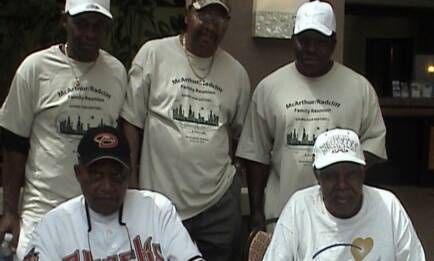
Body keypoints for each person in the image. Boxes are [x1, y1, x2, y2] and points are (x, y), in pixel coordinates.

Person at [236, 0, 387, 231]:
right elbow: (255, 156)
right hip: (282, 215)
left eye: (320, 42)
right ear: (292, 39)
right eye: (303, 40)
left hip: (340, 218)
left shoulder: (359, 88)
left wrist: (342, 178)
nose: (311, 49)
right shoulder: (269, 88)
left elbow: (374, 143)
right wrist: (257, 213)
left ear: (334, 42)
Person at [120, 0, 251, 260]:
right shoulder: (154, 55)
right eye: (204, 16)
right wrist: (132, 181)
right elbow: (132, 122)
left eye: (219, 19)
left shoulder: (237, 74)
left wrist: (230, 181)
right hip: (159, 201)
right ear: (187, 15)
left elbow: (238, 137)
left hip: (217, 206)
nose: (210, 27)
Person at [0, 0, 128, 258]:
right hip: (41, 209)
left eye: (98, 26)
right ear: (64, 20)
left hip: (96, 214)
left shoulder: (117, 72)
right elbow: (14, 144)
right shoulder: (35, 68)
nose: (90, 34)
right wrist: (11, 212)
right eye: (82, 24)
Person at [22, 126, 204, 260]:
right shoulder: (54, 225)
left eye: (116, 175)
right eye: (96, 175)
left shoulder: (157, 210)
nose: (107, 186)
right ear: (79, 173)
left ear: (130, 174)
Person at [262, 129, 425, 260]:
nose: (342, 185)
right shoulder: (299, 208)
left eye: (351, 175)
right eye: (331, 175)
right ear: (317, 177)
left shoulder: (389, 206)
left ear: (363, 173)